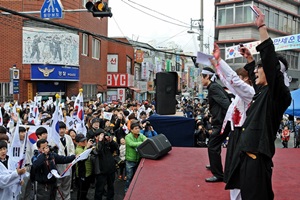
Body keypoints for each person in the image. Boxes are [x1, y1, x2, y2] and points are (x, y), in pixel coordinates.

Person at [226, 6, 292, 199]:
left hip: (257, 160)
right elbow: (258, 77)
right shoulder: (263, 91)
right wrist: (249, 59)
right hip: (246, 156)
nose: (255, 72)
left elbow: (270, 63)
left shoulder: (279, 95)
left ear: (274, 73)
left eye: (259, 68)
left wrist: (262, 27)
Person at [210, 43, 255, 199]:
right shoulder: (240, 95)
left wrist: (221, 62)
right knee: (233, 172)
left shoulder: (251, 93)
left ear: (248, 78)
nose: (238, 81)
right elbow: (230, 82)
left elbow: (233, 81)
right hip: (236, 135)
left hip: (244, 136)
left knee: (240, 172)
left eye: (242, 77)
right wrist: (217, 65)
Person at [201, 67, 231, 182]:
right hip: (221, 121)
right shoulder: (214, 87)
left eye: (201, 77)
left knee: (212, 146)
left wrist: (223, 118)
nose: (200, 79)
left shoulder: (213, 88)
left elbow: (226, 103)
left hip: (222, 123)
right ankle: (215, 165)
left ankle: (218, 175)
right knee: (215, 145)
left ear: (207, 76)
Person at [93, 129, 119, 200]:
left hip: (110, 169)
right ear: (96, 137)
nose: (102, 137)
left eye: (103, 135)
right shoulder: (94, 144)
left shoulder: (107, 143)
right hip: (101, 171)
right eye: (100, 135)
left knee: (111, 187)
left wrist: (111, 141)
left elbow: (116, 148)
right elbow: (97, 151)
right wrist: (100, 141)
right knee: (99, 189)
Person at [124, 122, 147, 192]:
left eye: (138, 128)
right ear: (131, 130)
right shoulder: (127, 137)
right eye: (136, 128)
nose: (138, 130)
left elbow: (146, 140)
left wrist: (144, 142)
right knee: (129, 177)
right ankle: (126, 190)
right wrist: (142, 143)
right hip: (130, 160)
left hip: (139, 159)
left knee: (137, 177)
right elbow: (131, 144)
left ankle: (134, 190)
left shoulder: (141, 135)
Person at [56, 121, 75, 200]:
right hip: (58, 165)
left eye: (63, 128)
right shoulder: (53, 139)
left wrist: (70, 157)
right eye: (60, 129)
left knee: (67, 184)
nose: (62, 130)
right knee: (58, 185)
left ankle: (67, 198)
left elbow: (72, 149)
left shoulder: (68, 137)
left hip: (68, 164)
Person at [75, 133, 94, 200]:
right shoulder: (78, 149)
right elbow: (82, 157)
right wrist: (88, 147)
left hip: (88, 172)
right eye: (82, 141)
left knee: (86, 189)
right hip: (82, 173)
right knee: (81, 191)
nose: (84, 142)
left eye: (85, 140)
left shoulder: (84, 147)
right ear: (77, 142)